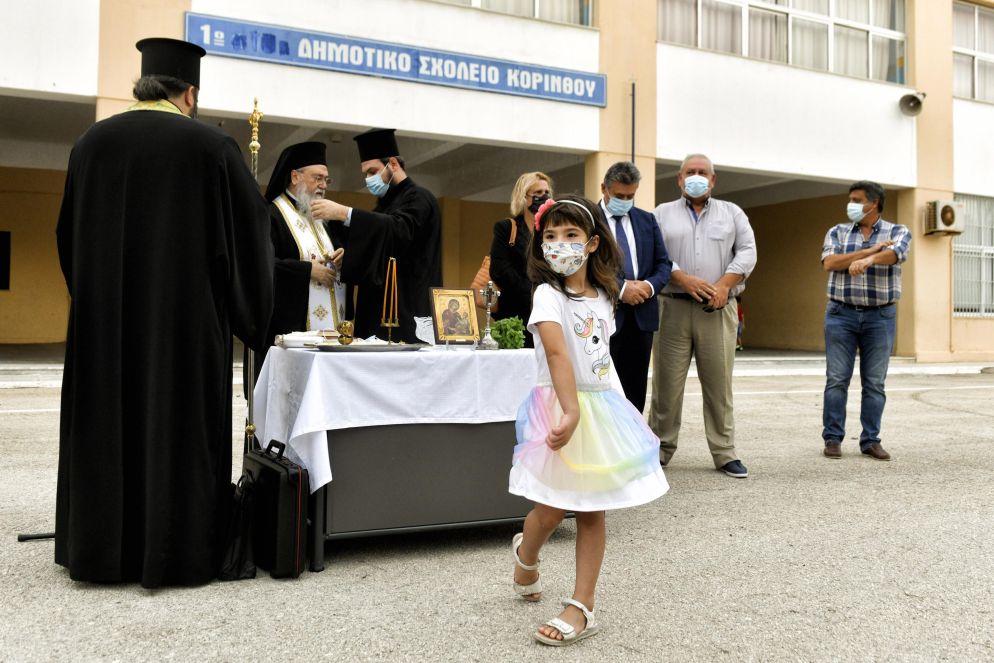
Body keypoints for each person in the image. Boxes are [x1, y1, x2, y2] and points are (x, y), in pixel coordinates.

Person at [54, 38, 274, 588]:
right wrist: (254, 318)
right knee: (175, 430)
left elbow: (67, 241)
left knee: (105, 428)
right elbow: (250, 243)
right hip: (182, 329)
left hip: (102, 328)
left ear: (143, 85)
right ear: (190, 93)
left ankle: (100, 552)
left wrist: (96, 299)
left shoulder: (89, 144)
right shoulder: (212, 149)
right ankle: (175, 552)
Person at [508, 195, 668, 646]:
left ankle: (582, 606)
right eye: (551, 237)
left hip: (601, 408)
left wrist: (609, 409)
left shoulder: (604, 296)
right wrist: (571, 409)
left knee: (591, 510)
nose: (560, 244)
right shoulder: (545, 294)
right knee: (550, 507)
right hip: (562, 408)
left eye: (571, 235)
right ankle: (526, 553)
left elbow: (599, 356)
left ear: (593, 242)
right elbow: (558, 353)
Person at [648, 154, 757, 478]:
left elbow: (748, 251)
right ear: (680, 179)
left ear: (713, 179)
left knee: (719, 385)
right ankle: (661, 449)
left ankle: (724, 452)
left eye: (702, 173)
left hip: (718, 308)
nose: (696, 177)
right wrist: (681, 277)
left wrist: (725, 285)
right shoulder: (661, 214)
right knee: (666, 385)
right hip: (672, 307)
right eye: (690, 172)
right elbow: (657, 253)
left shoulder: (732, 213)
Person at [310, 128, 441, 343]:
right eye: (366, 174)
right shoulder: (385, 205)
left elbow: (399, 231)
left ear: (394, 164)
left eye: (372, 171)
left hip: (407, 309)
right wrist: (350, 253)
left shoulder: (419, 198)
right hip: (377, 313)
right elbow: (379, 242)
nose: (369, 179)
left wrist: (344, 212)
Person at [820, 180, 912, 461]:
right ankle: (833, 438)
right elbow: (830, 263)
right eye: (851, 199)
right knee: (837, 379)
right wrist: (867, 252)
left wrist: (871, 261)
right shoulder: (837, 231)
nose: (852, 205)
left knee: (874, 382)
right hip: (841, 314)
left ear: (874, 203)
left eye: (857, 200)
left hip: (880, 316)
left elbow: (896, 254)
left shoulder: (897, 231)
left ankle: (870, 440)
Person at [253, 141, 345, 371]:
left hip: (330, 333)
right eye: (318, 178)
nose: (323, 185)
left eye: (326, 179)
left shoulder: (322, 216)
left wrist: (343, 255)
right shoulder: (272, 214)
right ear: (295, 177)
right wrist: (307, 271)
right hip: (288, 332)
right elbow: (260, 264)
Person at [597, 161, 671, 412]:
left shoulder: (646, 220)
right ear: (604, 189)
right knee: (602, 390)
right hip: (602, 317)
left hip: (641, 318)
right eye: (619, 196)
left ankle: (632, 446)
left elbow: (663, 264)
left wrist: (648, 287)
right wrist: (621, 289)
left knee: (635, 391)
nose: (625, 201)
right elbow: (586, 264)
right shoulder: (589, 220)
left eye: (631, 196)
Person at [488, 171, 553, 347]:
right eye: (537, 193)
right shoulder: (507, 228)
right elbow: (499, 269)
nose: (543, 197)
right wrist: (531, 292)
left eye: (546, 193)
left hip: (548, 314)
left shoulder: (552, 231)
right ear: (523, 197)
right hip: (515, 314)